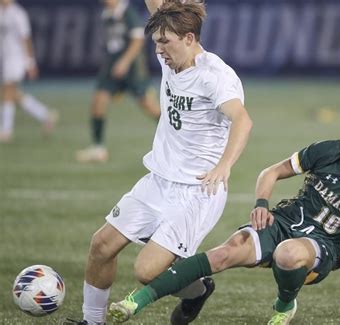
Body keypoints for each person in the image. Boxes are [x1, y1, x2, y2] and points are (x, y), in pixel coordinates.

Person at [109, 98, 340, 325]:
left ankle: (284, 305)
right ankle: (138, 300)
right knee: (225, 252)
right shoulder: (330, 151)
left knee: (288, 254)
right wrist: (262, 204)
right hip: (284, 221)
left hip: (323, 248)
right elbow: (270, 172)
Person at [64, 0, 252, 324]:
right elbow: (159, 9)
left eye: (165, 43)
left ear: (190, 39)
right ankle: (91, 322)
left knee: (147, 272)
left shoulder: (215, 75)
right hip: (158, 180)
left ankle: (197, 290)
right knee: (101, 245)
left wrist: (224, 165)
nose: (159, 50)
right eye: (155, 43)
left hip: (198, 191)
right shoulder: (171, 49)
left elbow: (242, 120)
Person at [75, 0, 161, 163]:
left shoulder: (128, 13)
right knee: (98, 101)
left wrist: (125, 61)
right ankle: (98, 147)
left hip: (132, 70)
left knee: (150, 107)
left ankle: (177, 139)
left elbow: (138, 41)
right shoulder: (107, 15)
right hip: (112, 68)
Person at [0, 0, 57, 143]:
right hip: (5, 58)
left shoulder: (18, 14)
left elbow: (26, 39)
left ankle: (6, 130)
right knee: (12, 95)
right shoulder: (2, 12)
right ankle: (45, 115)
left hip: (17, 58)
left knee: (8, 91)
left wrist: (30, 63)